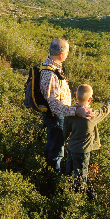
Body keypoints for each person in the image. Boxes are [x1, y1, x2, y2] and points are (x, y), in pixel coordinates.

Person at [40, 38, 93, 174]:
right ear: (62, 55)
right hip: (56, 118)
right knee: (57, 151)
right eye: (68, 52)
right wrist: (75, 112)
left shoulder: (51, 67)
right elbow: (54, 105)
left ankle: (49, 172)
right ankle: (53, 179)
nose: (68, 54)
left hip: (58, 116)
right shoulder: (50, 74)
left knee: (53, 145)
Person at [64, 84, 110, 195]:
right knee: (81, 176)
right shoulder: (92, 116)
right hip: (83, 152)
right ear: (90, 99)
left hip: (71, 149)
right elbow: (105, 110)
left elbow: (65, 132)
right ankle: (78, 196)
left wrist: (65, 141)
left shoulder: (70, 113)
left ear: (76, 97)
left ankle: (66, 191)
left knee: (69, 172)